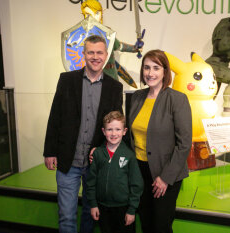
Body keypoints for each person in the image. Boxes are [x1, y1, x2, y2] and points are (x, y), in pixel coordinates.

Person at [43, 35, 123, 233]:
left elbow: (115, 128)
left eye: (99, 52)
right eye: (91, 52)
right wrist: (49, 151)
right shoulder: (67, 80)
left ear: (106, 55)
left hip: (96, 164)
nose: (95, 57)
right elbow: (55, 117)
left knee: (90, 213)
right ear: (83, 54)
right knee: (67, 215)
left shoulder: (115, 87)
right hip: (67, 160)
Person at [128, 50, 192, 233]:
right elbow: (129, 137)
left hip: (165, 173)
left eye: (156, 68)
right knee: (146, 223)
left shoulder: (177, 99)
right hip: (139, 171)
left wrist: (165, 178)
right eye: (147, 67)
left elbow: (184, 143)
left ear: (165, 71)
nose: (150, 73)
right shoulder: (137, 97)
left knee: (161, 226)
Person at [86, 111, 143, 233]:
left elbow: (136, 185)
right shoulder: (98, 154)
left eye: (118, 129)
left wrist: (131, 210)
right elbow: (91, 182)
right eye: (109, 129)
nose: (113, 133)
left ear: (124, 131)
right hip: (102, 207)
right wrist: (93, 204)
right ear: (103, 131)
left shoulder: (129, 156)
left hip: (123, 208)